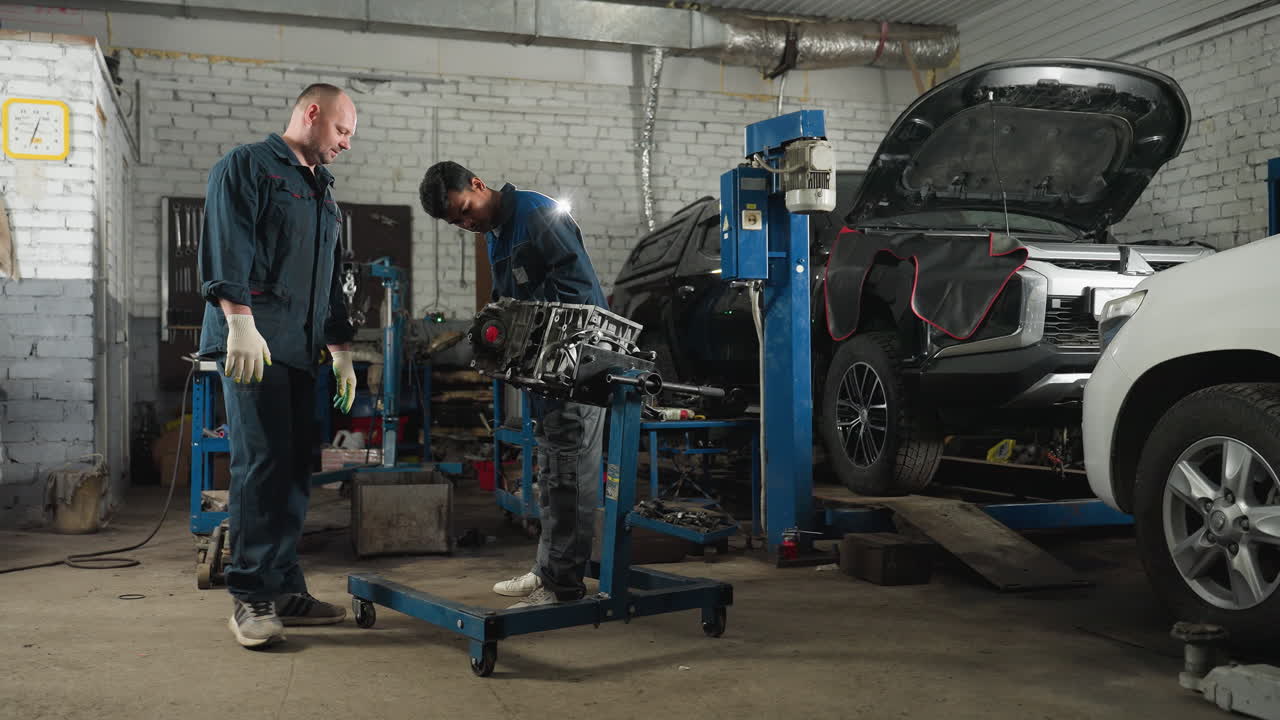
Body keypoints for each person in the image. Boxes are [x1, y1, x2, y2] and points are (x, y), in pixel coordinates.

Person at [198, 83, 359, 649]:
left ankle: (286, 587)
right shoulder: (247, 167)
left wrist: (339, 348)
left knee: (293, 469)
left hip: (300, 349)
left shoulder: (321, 191)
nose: (345, 144)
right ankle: (250, 595)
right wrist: (238, 318)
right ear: (311, 113)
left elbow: (333, 276)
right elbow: (227, 245)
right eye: (341, 131)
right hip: (252, 345)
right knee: (262, 466)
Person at [419, 161, 608, 607]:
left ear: (479, 185)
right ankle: (549, 569)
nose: (467, 224)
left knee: (570, 470)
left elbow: (579, 291)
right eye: (457, 222)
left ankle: (563, 585)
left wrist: (538, 338)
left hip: (574, 363)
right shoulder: (497, 232)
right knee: (551, 469)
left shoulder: (536, 214)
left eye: (465, 210)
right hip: (544, 367)